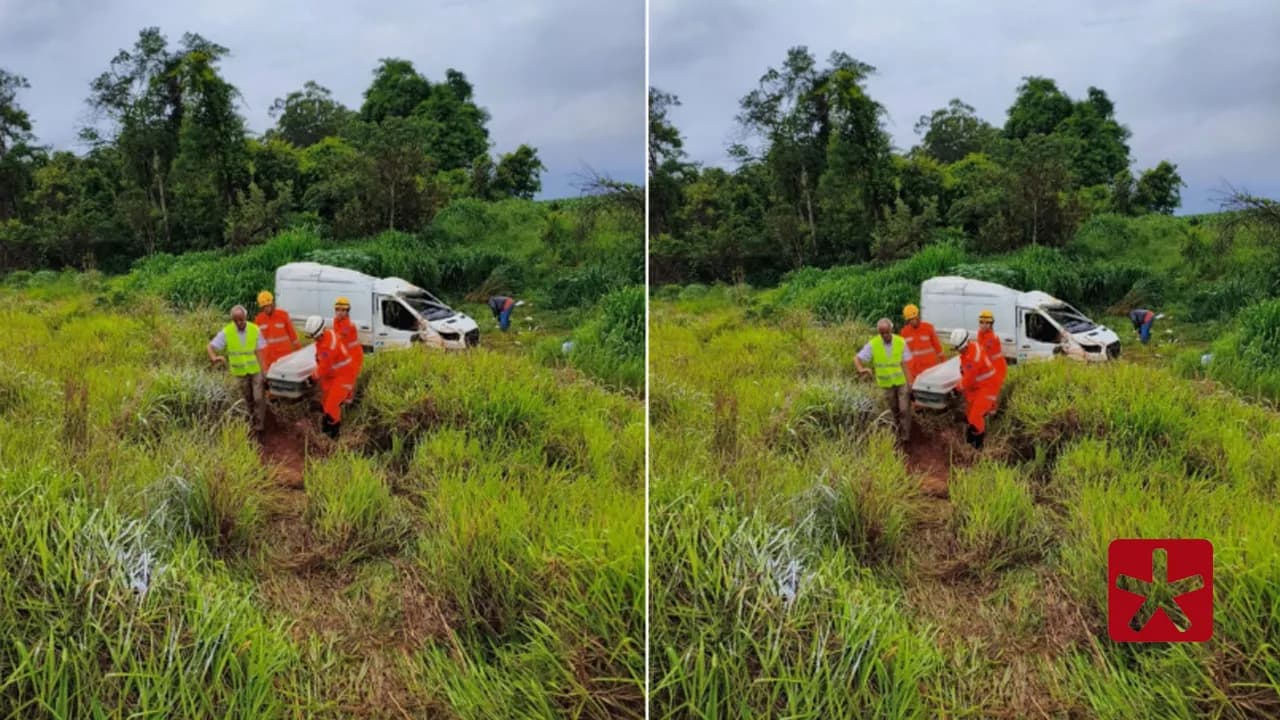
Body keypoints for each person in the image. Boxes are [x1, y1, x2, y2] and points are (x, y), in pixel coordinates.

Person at [207, 305, 267, 434]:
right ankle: (248, 423)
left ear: (246, 317)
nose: (239, 323)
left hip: (255, 370)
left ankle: (259, 425)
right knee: (245, 399)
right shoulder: (227, 331)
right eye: (236, 320)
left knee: (259, 398)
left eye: (241, 319)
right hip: (239, 373)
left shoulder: (255, 329)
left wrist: (264, 371)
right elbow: (210, 346)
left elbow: (259, 352)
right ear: (232, 320)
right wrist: (214, 357)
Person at [854, 317, 914, 444]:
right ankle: (895, 434)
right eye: (882, 333)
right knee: (892, 410)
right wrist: (861, 369)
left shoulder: (900, 342)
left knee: (904, 409)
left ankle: (905, 437)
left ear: (891, 329)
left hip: (901, 382)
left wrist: (910, 383)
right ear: (879, 333)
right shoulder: (873, 344)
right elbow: (857, 358)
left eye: (887, 332)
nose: (885, 336)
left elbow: (905, 364)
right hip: (885, 385)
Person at [304, 315, 356, 439]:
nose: (314, 339)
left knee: (331, 406)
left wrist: (311, 378)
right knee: (325, 402)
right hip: (333, 375)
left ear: (320, 332)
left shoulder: (328, 347)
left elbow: (323, 368)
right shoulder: (327, 334)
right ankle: (327, 424)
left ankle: (334, 434)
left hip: (344, 375)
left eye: (315, 337)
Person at [950, 328, 1000, 449]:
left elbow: (968, 379)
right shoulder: (970, 348)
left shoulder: (973, 358)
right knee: (970, 413)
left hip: (988, 387)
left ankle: (978, 444)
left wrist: (956, 389)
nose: (958, 351)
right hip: (978, 386)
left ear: (965, 343)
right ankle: (972, 433)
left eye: (959, 349)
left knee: (975, 417)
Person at [254, 290, 300, 373]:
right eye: (264, 307)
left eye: (268, 306)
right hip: (268, 358)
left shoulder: (283, 315)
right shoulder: (259, 319)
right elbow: (257, 341)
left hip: (284, 356)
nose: (266, 308)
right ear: (261, 307)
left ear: (273, 304)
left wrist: (299, 352)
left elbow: (293, 335)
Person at [900, 303, 944, 380]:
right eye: (910, 319)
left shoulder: (928, 328)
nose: (913, 321)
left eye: (914, 318)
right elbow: (903, 352)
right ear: (907, 320)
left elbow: (937, 347)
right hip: (914, 370)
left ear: (918, 316)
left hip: (930, 368)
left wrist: (943, 362)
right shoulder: (904, 332)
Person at [976, 309, 1008, 406]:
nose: (984, 325)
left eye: (987, 323)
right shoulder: (980, 333)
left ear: (991, 324)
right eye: (982, 322)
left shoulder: (991, 338)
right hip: (989, 367)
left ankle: (992, 414)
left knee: (992, 392)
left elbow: (984, 355)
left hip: (997, 368)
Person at [332, 296, 364, 377]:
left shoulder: (348, 325)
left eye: (343, 310)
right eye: (338, 309)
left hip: (354, 356)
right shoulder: (336, 321)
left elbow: (338, 338)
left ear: (347, 311)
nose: (340, 312)